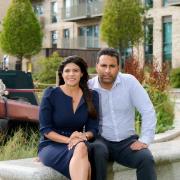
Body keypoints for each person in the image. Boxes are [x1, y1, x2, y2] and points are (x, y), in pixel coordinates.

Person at [88, 48, 157, 180]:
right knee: (97, 152)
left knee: (146, 159)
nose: (107, 71)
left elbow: (147, 110)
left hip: (127, 143)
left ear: (118, 67)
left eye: (112, 66)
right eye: (103, 66)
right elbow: (71, 116)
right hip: (101, 141)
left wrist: (145, 139)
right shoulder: (89, 87)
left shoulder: (129, 82)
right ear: (97, 66)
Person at [38, 55, 99, 180]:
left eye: (75, 70)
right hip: (52, 144)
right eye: (67, 71)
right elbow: (45, 129)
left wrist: (83, 136)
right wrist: (70, 140)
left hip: (78, 142)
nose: (71, 74)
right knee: (82, 152)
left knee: (82, 147)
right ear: (62, 74)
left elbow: (93, 129)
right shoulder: (50, 94)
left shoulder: (92, 96)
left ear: (82, 73)